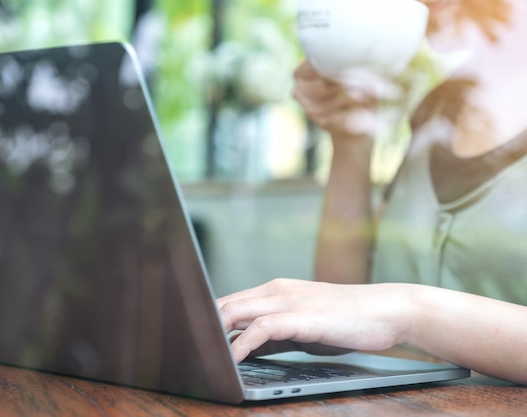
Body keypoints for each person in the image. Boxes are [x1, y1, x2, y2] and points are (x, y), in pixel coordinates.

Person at [217, 0, 527, 385]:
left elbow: (385, 310)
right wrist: (350, 143)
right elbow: (350, 296)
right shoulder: (437, 109)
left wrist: (409, 314)